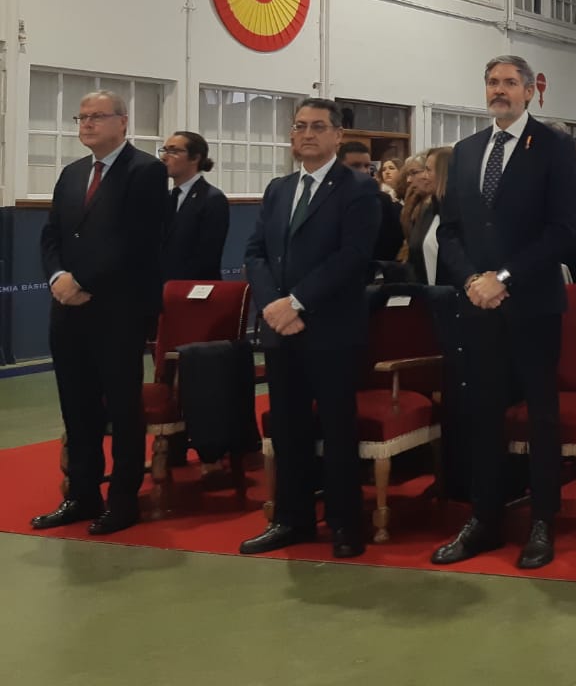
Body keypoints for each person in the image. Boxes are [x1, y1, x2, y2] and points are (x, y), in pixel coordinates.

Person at [432, 56, 576, 571]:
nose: (500, 90)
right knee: (483, 414)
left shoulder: (554, 146)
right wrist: (473, 279)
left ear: (530, 90)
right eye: (492, 82)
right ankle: (485, 517)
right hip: (478, 306)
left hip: (533, 305)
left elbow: (562, 229)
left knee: (540, 415)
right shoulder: (468, 151)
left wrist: (505, 278)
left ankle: (542, 519)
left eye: (510, 83)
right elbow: (448, 230)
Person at [239, 99, 383, 559]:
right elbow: (256, 251)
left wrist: (298, 301)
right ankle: (291, 518)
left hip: (331, 328)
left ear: (337, 136)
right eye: (299, 126)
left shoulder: (358, 189)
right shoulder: (280, 188)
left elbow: (353, 256)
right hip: (282, 327)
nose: (306, 134)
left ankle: (344, 523)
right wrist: (272, 305)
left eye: (318, 127)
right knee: (288, 428)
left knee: (338, 431)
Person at [31, 90, 169, 537]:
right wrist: (57, 279)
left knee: (123, 407)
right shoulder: (72, 174)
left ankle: (123, 498)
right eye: (82, 117)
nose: (87, 123)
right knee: (77, 405)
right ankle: (82, 493)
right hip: (67, 310)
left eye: (97, 116)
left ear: (122, 122)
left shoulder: (145, 171)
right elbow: (52, 234)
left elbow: (135, 241)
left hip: (116, 310)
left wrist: (83, 280)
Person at [159, 130, 229, 282]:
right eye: (164, 150)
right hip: (159, 291)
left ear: (195, 157)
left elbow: (207, 258)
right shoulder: (165, 197)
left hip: (193, 291)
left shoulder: (212, 199)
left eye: (173, 151)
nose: (164, 157)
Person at [338, 140, 403, 261]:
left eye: (367, 166)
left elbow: (394, 240)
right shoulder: (326, 200)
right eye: (355, 166)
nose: (364, 171)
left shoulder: (383, 201)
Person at [405, 146, 452, 285]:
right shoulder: (428, 210)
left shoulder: (461, 212)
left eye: (428, 170)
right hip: (429, 297)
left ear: (444, 173)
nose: (424, 176)